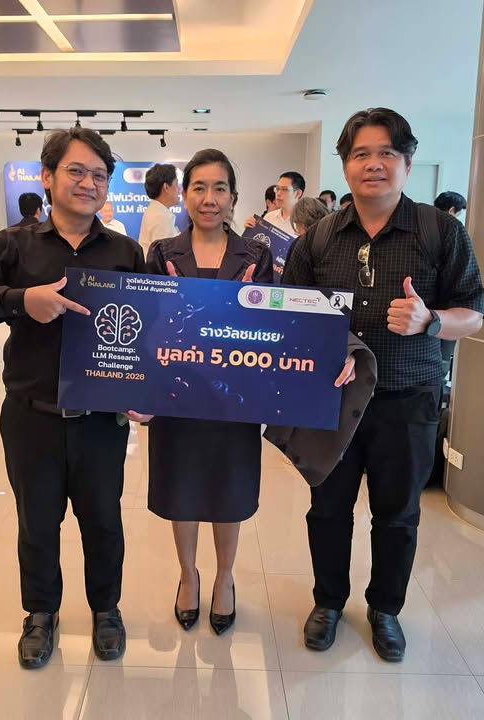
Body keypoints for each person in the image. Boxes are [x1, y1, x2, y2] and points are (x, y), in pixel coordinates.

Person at [282, 107, 484, 663]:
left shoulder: (441, 232)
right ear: (345, 165)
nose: (374, 164)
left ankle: (386, 609)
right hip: (333, 401)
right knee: (328, 508)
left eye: (387, 153)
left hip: (409, 399)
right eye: (361, 154)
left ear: (407, 164)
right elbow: (292, 318)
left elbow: (475, 314)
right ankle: (328, 601)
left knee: (397, 514)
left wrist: (431, 320)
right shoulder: (317, 240)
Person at [0, 128, 147, 670]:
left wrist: (145, 392)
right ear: (48, 177)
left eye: (99, 175)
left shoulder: (125, 252)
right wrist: (19, 299)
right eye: (76, 171)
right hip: (31, 416)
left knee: (103, 522)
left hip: (102, 421)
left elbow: (152, 330)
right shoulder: (11, 246)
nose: (88, 183)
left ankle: (106, 609)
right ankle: (40, 613)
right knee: (37, 522)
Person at [146, 149, 273, 636]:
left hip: (233, 399)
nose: (209, 198)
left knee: (228, 489)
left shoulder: (256, 256)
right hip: (177, 396)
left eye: (220, 188)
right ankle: (188, 575)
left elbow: (273, 329)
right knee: (181, 488)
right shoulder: (162, 254)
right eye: (198, 187)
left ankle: (224, 577)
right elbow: (150, 326)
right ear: (184, 195)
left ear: (233, 197)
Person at [138, 163, 180, 256]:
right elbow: (164, 258)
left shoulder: (158, 212)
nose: (179, 189)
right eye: (176, 184)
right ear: (166, 187)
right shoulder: (160, 216)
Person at [245, 171, 305, 236]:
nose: (278, 194)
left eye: (284, 189)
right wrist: (250, 230)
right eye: (277, 189)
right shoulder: (269, 217)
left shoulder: (305, 222)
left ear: (298, 193)